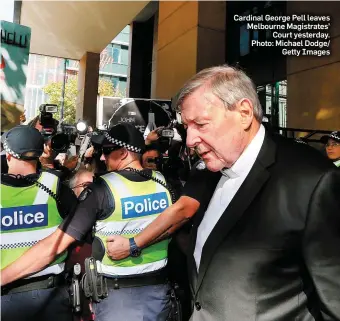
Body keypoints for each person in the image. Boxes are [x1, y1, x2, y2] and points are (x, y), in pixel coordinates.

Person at [107, 65, 340, 321]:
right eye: (187, 127)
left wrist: (132, 244)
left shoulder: (313, 180)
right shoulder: (208, 170)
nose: (190, 140)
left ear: (244, 113)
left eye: (201, 124)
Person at [1, 123, 174, 321]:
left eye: (106, 151)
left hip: (118, 303)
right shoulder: (163, 183)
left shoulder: (102, 189)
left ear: (124, 153)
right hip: (159, 294)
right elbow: (177, 224)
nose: (101, 157)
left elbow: (55, 245)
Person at [0, 125, 78, 321]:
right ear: (38, 154)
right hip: (52, 296)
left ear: (8, 156)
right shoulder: (57, 187)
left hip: (6, 299)